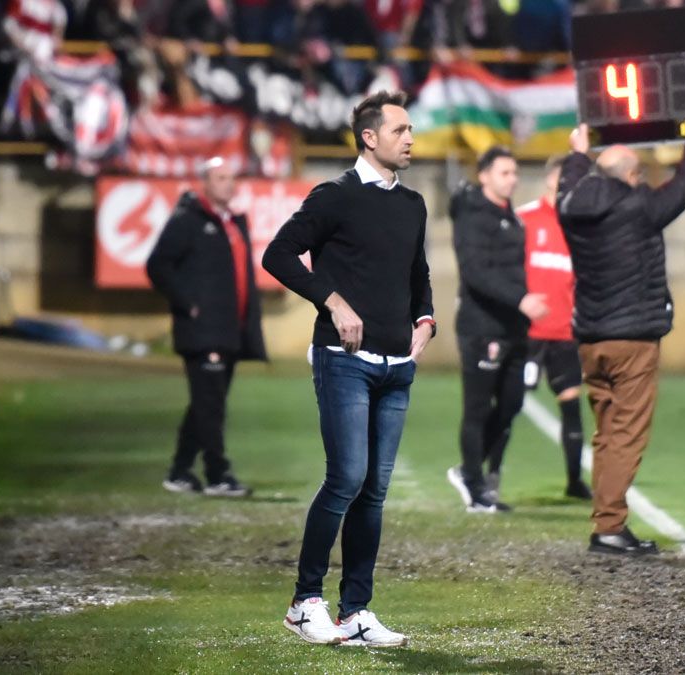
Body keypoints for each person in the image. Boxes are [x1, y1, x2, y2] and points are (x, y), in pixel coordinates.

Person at [262, 90, 433, 648]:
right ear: (369, 136)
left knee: (374, 492)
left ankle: (356, 610)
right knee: (345, 479)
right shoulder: (333, 196)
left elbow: (418, 272)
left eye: (410, 130)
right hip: (345, 362)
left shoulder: (412, 204)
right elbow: (278, 254)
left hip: (396, 366)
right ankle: (303, 602)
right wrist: (331, 300)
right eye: (401, 129)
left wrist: (425, 319)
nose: (411, 138)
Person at [555, 117, 685, 555]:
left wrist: (577, 152)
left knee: (607, 432)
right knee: (625, 434)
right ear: (629, 175)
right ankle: (609, 526)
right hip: (633, 341)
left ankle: (607, 520)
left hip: (591, 339)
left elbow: (569, 181)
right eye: (638, 173)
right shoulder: (638, 208)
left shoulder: (570, 204)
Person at [146, 157, 266, 498]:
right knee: (210, 405)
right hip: (202, 331)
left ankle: (180, 471)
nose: (229, 184)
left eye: (231, 178)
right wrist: (188, 303)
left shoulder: (232, 223)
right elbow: (157, 265)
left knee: (204, 404)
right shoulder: (188, 222)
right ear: (206, 184)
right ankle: (217, 474)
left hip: (228, 329)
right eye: (221, 178)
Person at [446, 146, 547, 514]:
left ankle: (469, 472)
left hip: (513, 328)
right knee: (477, 407)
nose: (513, 179)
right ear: (484, 175)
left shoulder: (511, 218)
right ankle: (474, 483)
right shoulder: (473, 217)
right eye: (505, 173)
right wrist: (521, 299)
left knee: (512, 404)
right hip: (482, 327)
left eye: (515, 173)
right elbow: (475, 273)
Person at [517, 155, 591, 501]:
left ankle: (575, 481)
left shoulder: (582, 226)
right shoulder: (525, 219)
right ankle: (487, 475)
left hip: (564, 332)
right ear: (550, 179)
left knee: (571, 403)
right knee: (507, 404)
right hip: (527, 333)